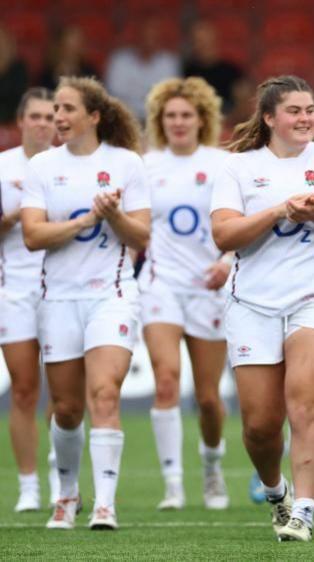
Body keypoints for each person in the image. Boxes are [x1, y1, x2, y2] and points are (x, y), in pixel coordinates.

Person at [210, 75, 314, 542]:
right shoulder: (238, 168)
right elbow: (225, 236)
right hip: (252, 303)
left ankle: (303, 509)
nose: (306, 119)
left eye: (310, 110)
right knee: (260, 425)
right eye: (294, 111)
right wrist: (279, 210)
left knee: (306, 402)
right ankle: (276, 490)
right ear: (269, 118)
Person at [20, 76, 149, 531]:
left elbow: (142, 236)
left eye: (68, 108)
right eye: (56, 108)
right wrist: (89, 219)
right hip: (57, 298)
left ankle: (105, 505)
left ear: (94, 116)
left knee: (105, 393)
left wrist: (114, 216)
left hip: (111, 296)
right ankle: (67, 493)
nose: (58, 117)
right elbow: (34, 236)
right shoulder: (42, 167)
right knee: (67, 408)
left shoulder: (126, 163)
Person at [139, 77, 230, 511]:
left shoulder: (221, 164)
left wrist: (227, 260)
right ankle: (173, 483)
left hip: (209, 287)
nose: (177, 122)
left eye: (185, 115)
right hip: (160, 284)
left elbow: (237, 220)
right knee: (166, 381)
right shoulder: (146, 166)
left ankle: (212, 466)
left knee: (209, 398)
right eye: (170, 115)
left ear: (202, 119)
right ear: (160, 121)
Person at [0, 88, 56, 512]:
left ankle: (60, 477)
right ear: (21, 121)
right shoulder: (3, 167)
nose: (42, 123)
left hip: (61, 288)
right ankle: (28, 485)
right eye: (34, 116)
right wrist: (21, 213)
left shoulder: (68, 167)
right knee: (23, 389)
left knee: (64, 391)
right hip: (15, 289)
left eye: (49, 116)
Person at [106, 20, 181, 121]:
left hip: (157, 121)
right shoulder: (120, 61)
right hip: (125, 120)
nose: (148, 41)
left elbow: (169, 96)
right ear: (136, 37)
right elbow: (113, 94)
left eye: (152, 37)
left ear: (158, 39)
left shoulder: (168, 63)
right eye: (145, 36)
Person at [182, 21, 246, 112]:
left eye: (205, 41)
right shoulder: (187, 70)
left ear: (214, 40)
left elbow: (243, 104)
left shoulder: (232, 71)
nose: (202, 45)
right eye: (198, 41)